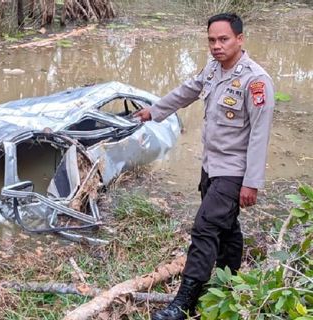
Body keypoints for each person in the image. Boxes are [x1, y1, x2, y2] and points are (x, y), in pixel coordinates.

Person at [134, 13, 275, 320]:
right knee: (226, 227)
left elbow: (260, 137)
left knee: (204, 228)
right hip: (211, 166)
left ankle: (183, 301)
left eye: (223, 39)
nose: (216, 46)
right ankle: (228, 280)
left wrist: (251, 182)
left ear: (240, 39)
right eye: (211, 40)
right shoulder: (213, 69)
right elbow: (187, 90)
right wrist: (153, 112)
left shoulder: (256, 81)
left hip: (234, 171)